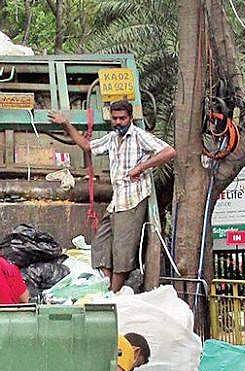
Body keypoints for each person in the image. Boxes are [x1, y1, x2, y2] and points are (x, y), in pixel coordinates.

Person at [48, 100, 176, 292]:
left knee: (122, 252)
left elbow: (169, 151)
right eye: (115, 118)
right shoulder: (112, 137)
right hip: (117, 202)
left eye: (122, 118)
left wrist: (141, 167)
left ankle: (113, 293)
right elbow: (87, 146)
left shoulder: (139, 136)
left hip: (133, 200)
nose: (118, 122)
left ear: (130, 118)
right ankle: (107, 287)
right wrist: (66, 124)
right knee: (100, 245)